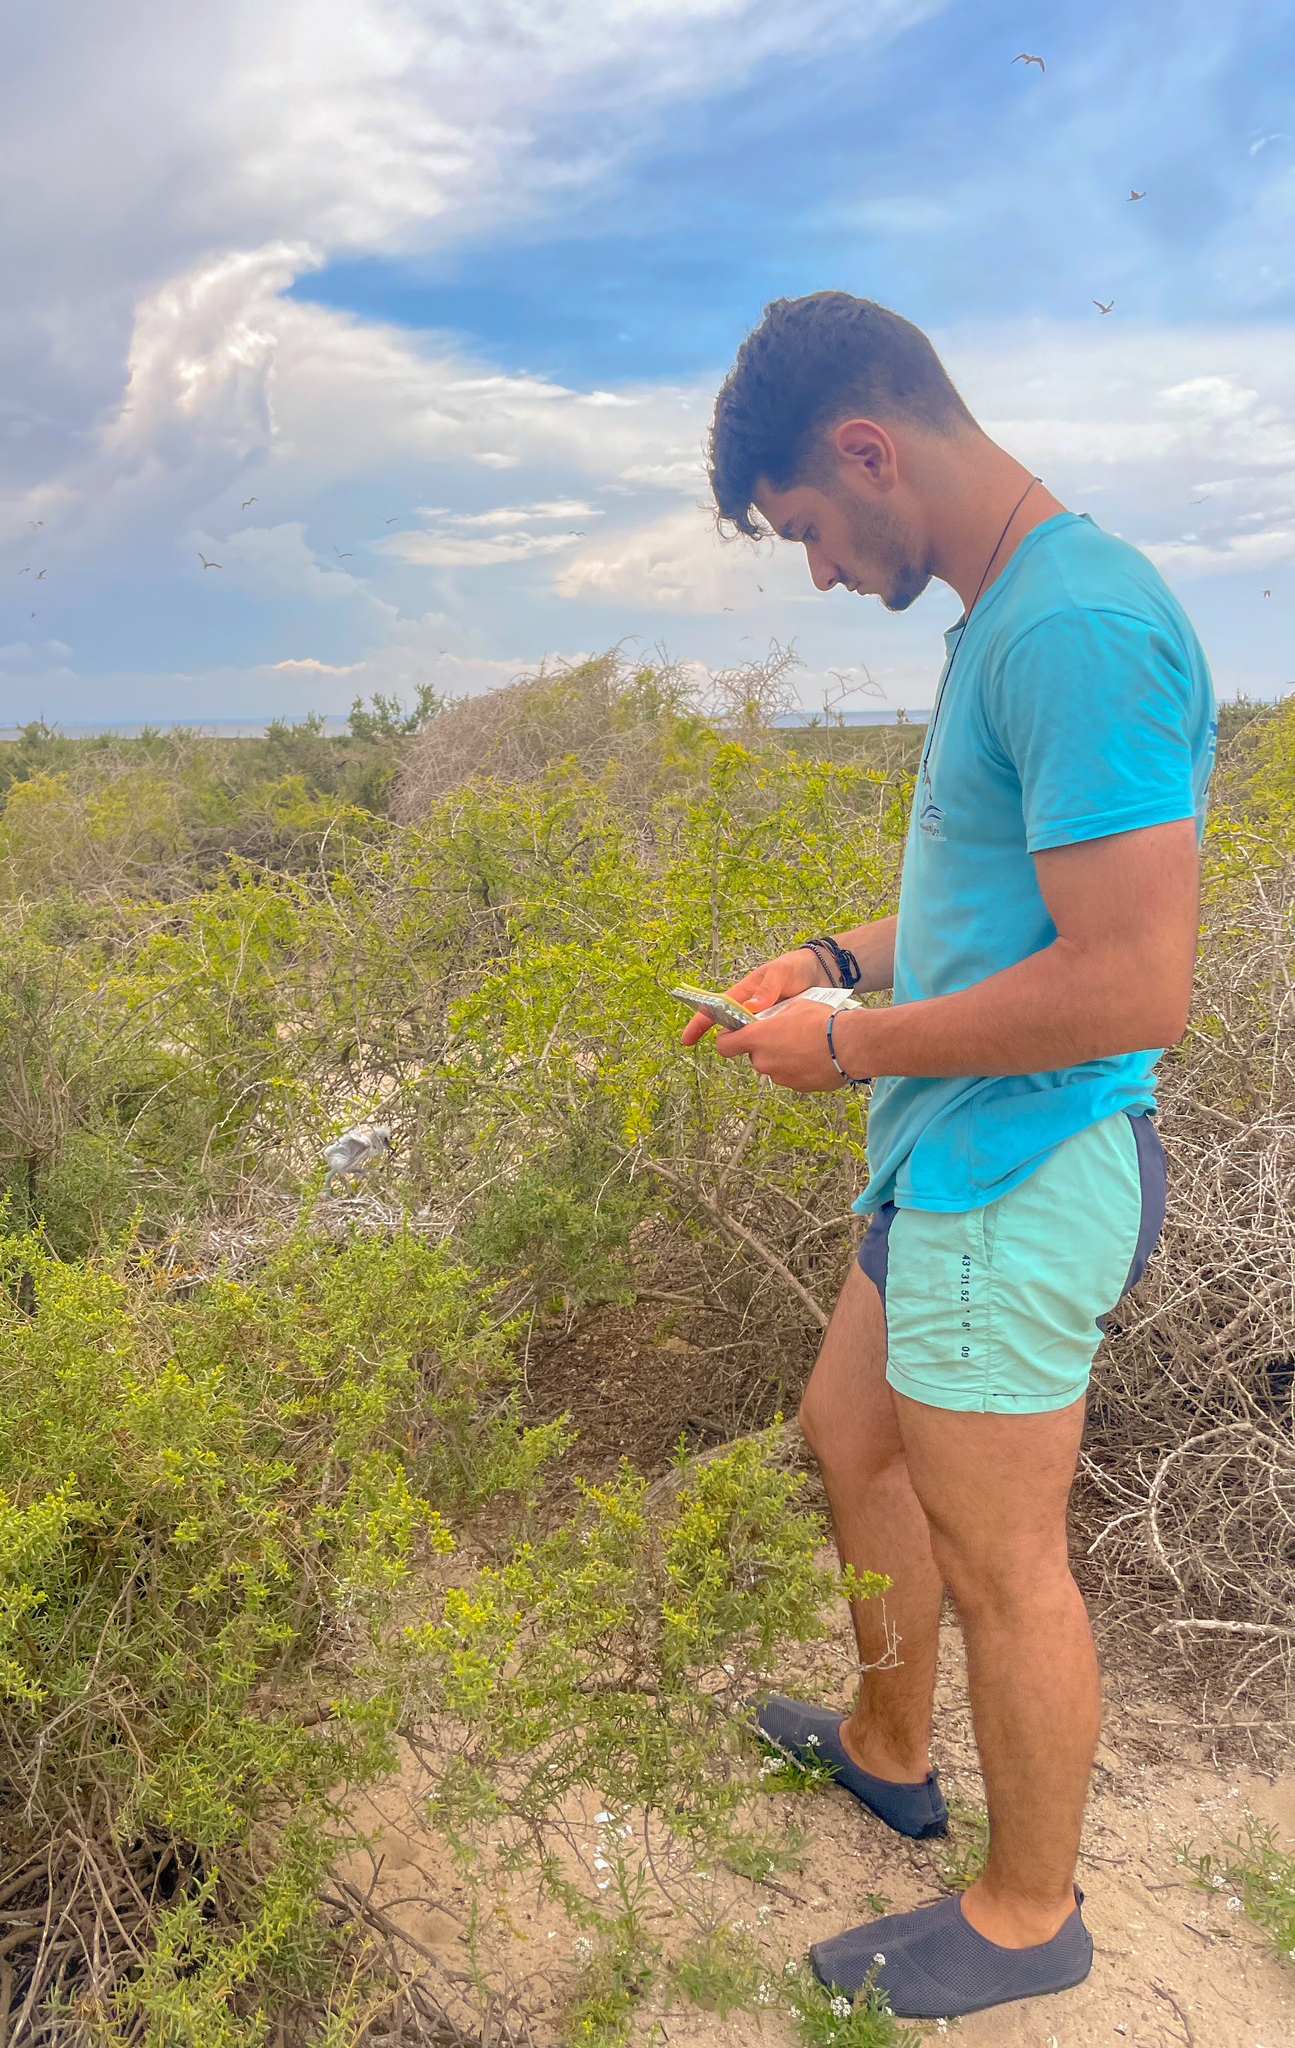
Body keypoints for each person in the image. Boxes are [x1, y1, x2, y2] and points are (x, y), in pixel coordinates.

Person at [685, 291, 1214, 2020]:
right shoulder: (1008, 621)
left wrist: (845, 1049)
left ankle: (1025, 1913)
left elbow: (1130, 980)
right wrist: (830, 963)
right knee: (852, 1437)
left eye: (810, 530)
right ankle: (890, 1744)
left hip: (1023, 1168)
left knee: (1004, 1566)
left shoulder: (1076, 626)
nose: (821, 571)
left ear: (867, 451)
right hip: (949, 1156)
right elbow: (998, 918)